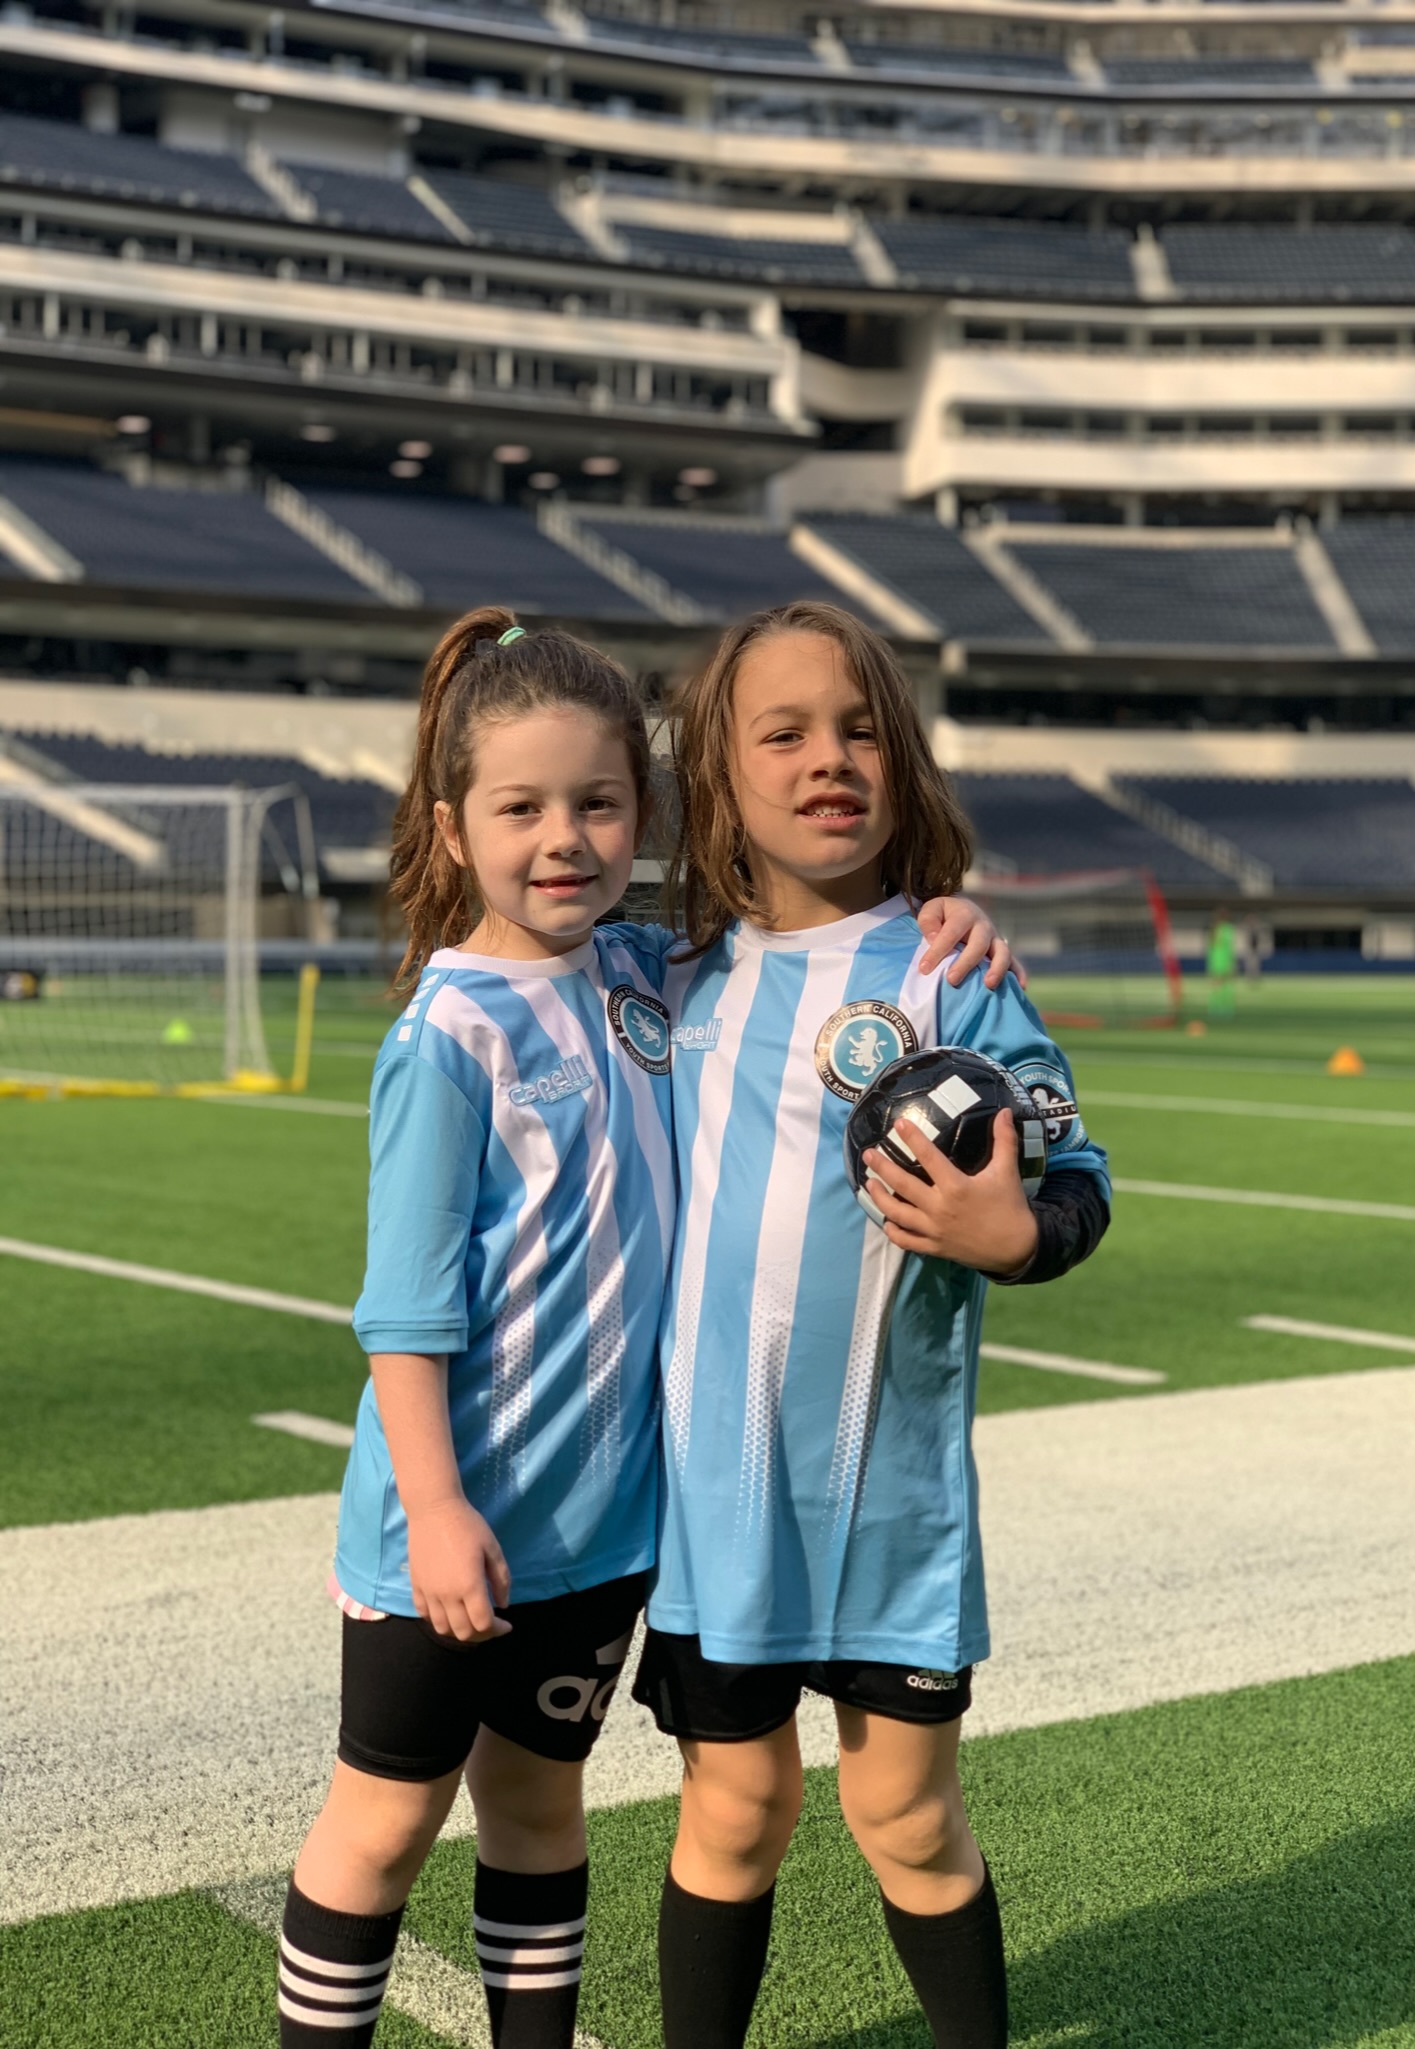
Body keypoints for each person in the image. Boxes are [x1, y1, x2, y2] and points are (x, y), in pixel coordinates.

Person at [279, 605, 1016, 2049]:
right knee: (378, 1828)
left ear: (647, 814)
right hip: (449, 1531)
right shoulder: (447, 1037)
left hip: (604, 1539)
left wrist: (951, 907)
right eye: (522, 808)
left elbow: (807, 969)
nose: (563, 836)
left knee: (540, 1812)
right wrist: (431, 1504)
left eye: (598, 803)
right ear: (451, 826)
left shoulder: (641, 974)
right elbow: (405, 1304)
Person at [634, 601, 1113, 2049]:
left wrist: (1010, 1232)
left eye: (857, 730)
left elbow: (1075, 1183)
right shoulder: (662, 979)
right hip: (717, 1505)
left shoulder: (951, 974)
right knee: (736, 1804)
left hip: (891, 1504)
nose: (826, 757)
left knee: (905, 1808)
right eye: (781, 732)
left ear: (899, 760)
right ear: (719, 776)